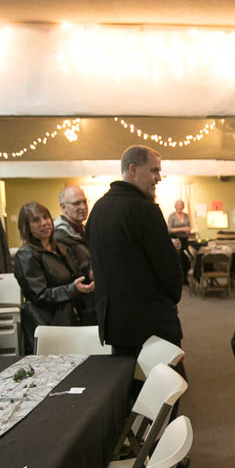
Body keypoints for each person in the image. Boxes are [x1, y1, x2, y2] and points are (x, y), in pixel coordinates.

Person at [86, 145, 184, 356]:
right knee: (162, 386)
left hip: (116, 324)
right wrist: (172, 298)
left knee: (126, 385)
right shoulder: (145, 210)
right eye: (154, 170)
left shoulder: (98, 208)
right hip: (150, 324)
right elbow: (169, 271)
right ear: (133, 169)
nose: (159, 178)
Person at [14, 202, 94, 353]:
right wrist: (72, 289)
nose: (44, 223)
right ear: (26, 226)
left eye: (46, 217)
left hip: (69, 319)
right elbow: (39, 294)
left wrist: (88, 276)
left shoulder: (59, 247)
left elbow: (72, 277)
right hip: (47, 325)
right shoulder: (26, 254)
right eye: (36, 220)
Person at [54, 185, 97, 324]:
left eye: (84, 201)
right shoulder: (59, 236)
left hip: (92, 301)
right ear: (63, 206)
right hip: (79, 305)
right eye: (76, 203)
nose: (83, 207)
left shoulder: (84, 230)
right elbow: (74, 271)